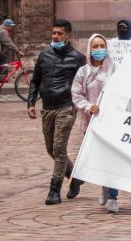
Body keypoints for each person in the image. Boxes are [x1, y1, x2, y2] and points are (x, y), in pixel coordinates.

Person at [27, 19, 87, 205]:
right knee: (51, 149)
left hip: (66, 107)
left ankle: (54, 190)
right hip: (47, 107)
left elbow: (83, 82)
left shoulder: (77, 58)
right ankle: (75, 177)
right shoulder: (44, 55)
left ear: (68, 35)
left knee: (59, 148)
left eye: (60, 33)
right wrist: (31, 102)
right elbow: (36, 80)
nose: (55, 36)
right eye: (54, 33)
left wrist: (80, 104)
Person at [71, 34, 119, 213]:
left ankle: (113, 196)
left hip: (111, 123)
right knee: (99, 160)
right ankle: (105, 188)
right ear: (90, 49)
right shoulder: (83, 72)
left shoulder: (114, 68)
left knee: (112, 160)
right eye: (95, 46)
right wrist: (88, 106)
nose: (99, 50)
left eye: (102, 46)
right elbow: (76, 95)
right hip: (90, 124)